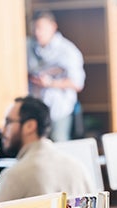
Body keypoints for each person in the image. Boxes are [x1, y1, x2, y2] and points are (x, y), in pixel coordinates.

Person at [0, 96, 96, 208]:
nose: (2, 129)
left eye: (8, 122)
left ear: (30, 126)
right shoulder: (78, 167)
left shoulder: (14, 175)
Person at [26, 10, 85, 141]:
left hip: (59, 110)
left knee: (59, 147)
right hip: (35, 111)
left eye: (41, 28)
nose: (37, 32)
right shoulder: (27, 46)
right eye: (34, 28)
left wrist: (50, 83)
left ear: (53, 27)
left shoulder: (68, 50)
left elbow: (77, 83)